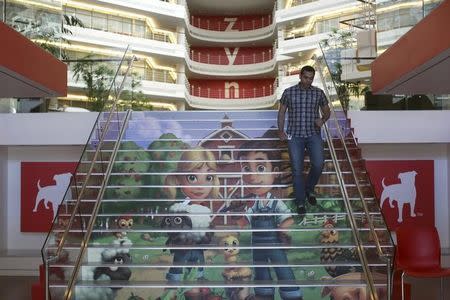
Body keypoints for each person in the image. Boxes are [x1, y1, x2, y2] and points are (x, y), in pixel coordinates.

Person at [237, 140, 303, 300]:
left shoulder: (275, 202)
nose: (252, 176)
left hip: (274, 242)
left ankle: (291, 294)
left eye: (260, 168)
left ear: (275, 172)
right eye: (246, 169)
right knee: (260, 270)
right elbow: (246, 217)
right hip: (257, 244)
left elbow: (288, 218)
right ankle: (263, 293)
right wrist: (239, 225)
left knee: (282, 268)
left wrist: (282, 229)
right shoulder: (253, 203)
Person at [277, 65, 330, 216]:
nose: (308, 80)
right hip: (295, 136)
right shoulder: (289, 92)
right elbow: (281, 113)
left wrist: (323, 119)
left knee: (319, 164)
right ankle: (300, 201)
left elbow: (327, 111)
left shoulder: (318, 93)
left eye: (311, 78)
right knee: (296, 170)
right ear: (300, 76)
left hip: (313, 134)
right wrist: (281, 130)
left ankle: (310, 189)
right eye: (306, 77)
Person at [163, 147, 220, 282]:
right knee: (179, 271)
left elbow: (207, 231)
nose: (201, 186)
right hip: (183, 251)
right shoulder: (179, 209)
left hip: (198, 251)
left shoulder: (203, 210)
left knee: (198, 271)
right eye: (192, 177)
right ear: (178, 179)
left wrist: (206, 236)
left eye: (208, 177)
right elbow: (172, 229)